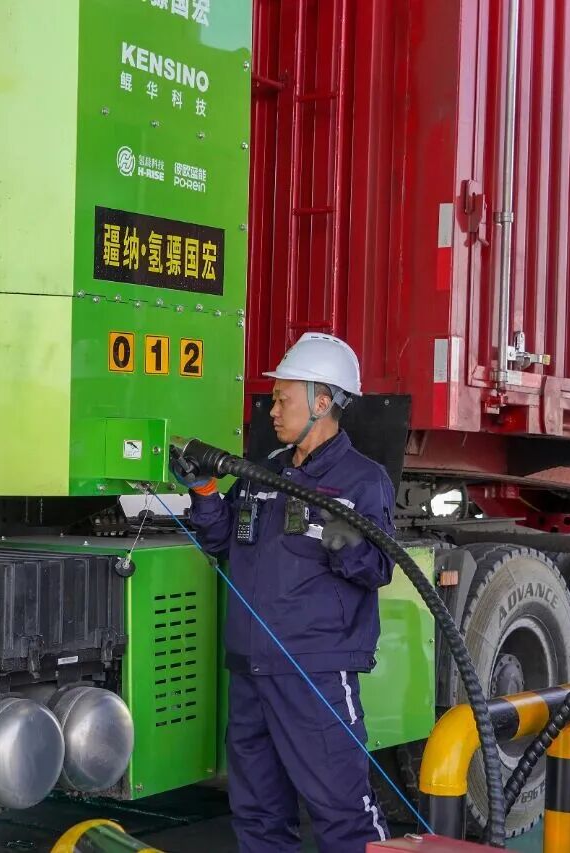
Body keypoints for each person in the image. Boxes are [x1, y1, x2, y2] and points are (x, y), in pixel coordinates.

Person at [170, 332, 395, 853]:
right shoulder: (265, 472)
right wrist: (204, 491)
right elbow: (223, 541)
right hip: (251, 671)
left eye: (282, 399)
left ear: (322, 403)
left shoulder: (362, 480)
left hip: (313, 671)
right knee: (258, 815)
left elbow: (380, 567)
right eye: (273, 400)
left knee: (344, 814)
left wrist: (333, 532)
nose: (272, 411)